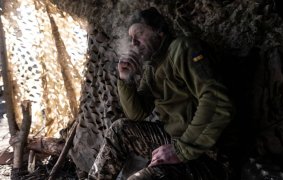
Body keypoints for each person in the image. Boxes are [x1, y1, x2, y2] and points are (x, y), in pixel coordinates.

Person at [88, 7, 234, 180]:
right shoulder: (152, 67)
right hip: (175, 141)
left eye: (139, 34)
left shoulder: (182, 48)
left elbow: (217, 102)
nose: (133, 43)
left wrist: (181, 150)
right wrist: (126, 79)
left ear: (159, 32)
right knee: (120, 129)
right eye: (131, 39)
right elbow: (137, 114)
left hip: (207, 152)